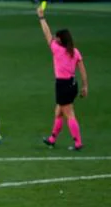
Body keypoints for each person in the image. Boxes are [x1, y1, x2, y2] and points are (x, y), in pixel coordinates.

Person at [37, 7, 88, 151]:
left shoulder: (57, 50)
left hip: (62, 85)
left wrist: (41, 17)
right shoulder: (75, 51)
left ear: (61, 39)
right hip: (72, 83)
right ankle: (52, 139)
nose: (54, 38)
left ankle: (78, 142)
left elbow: (46, 33)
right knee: (58, 111)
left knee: (69, 114)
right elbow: (82, 70)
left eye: (57, 37)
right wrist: (85, 86)